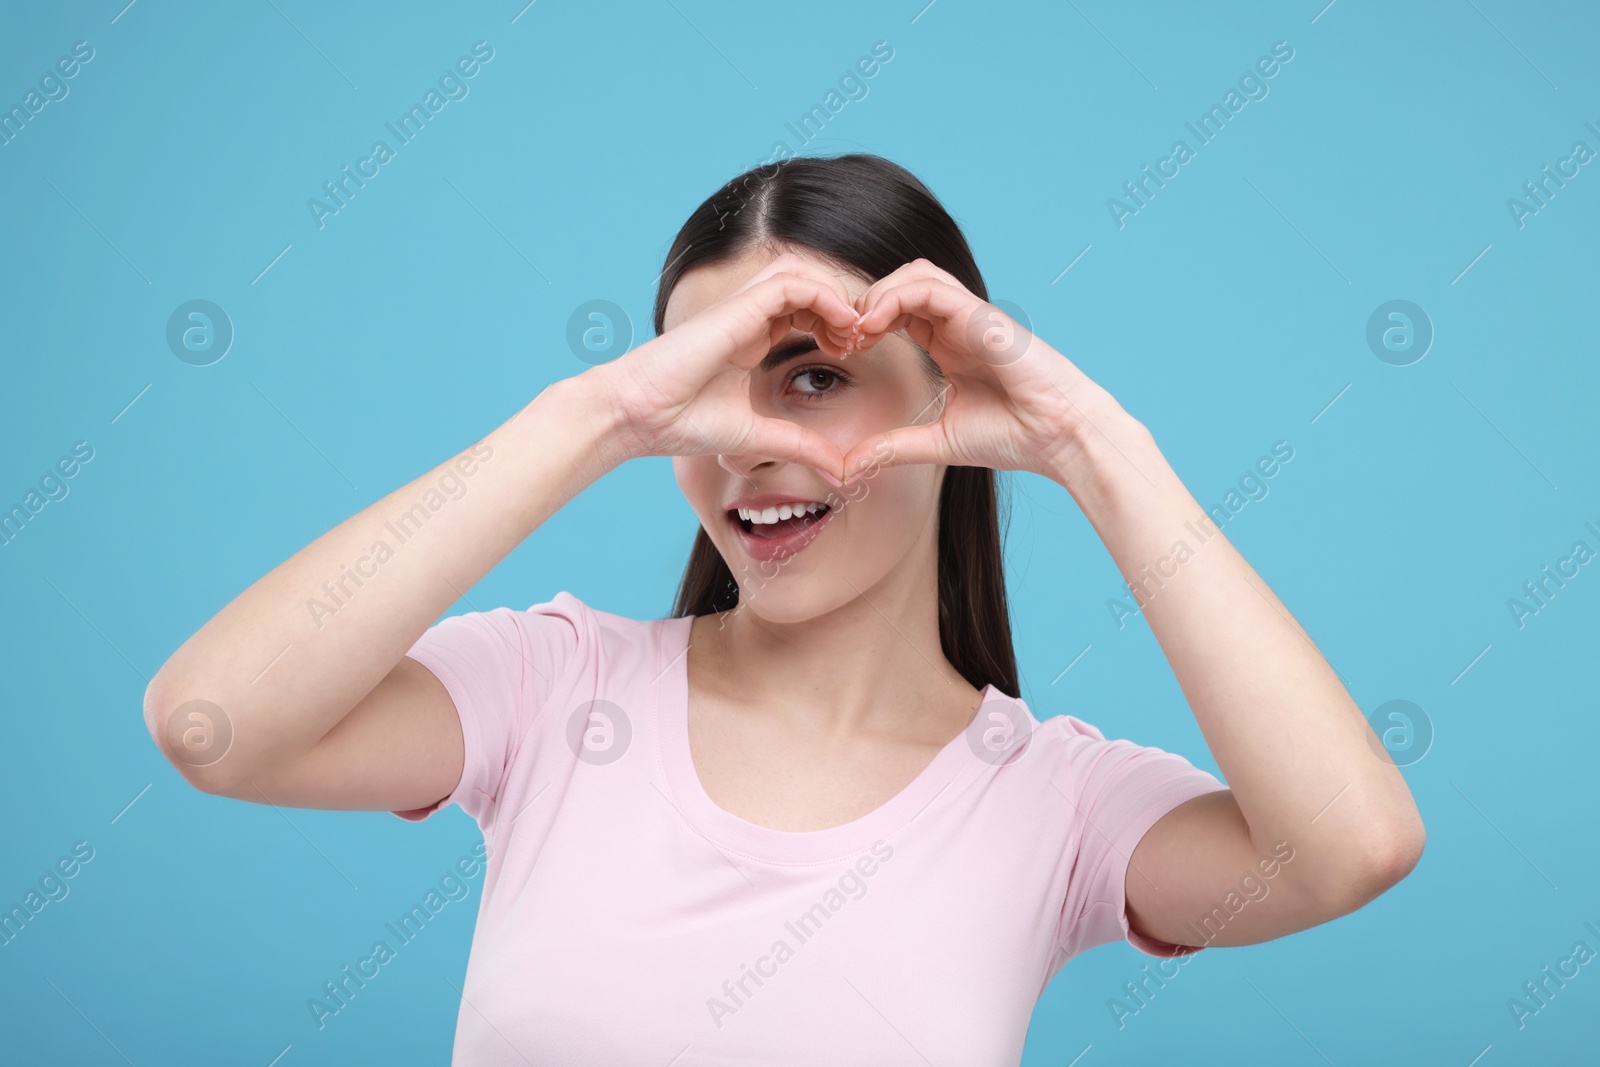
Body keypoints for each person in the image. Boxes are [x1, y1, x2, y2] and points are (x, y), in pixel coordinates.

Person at [143, 153, 1425, 1064]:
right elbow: (213, 724)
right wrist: (596, 416)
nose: (747, 441)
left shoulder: (1054, 804)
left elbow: (1348, 846)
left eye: (813, 376)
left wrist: (1090, 441)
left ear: (948, 399)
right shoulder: (553, 689)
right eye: (705, 383)